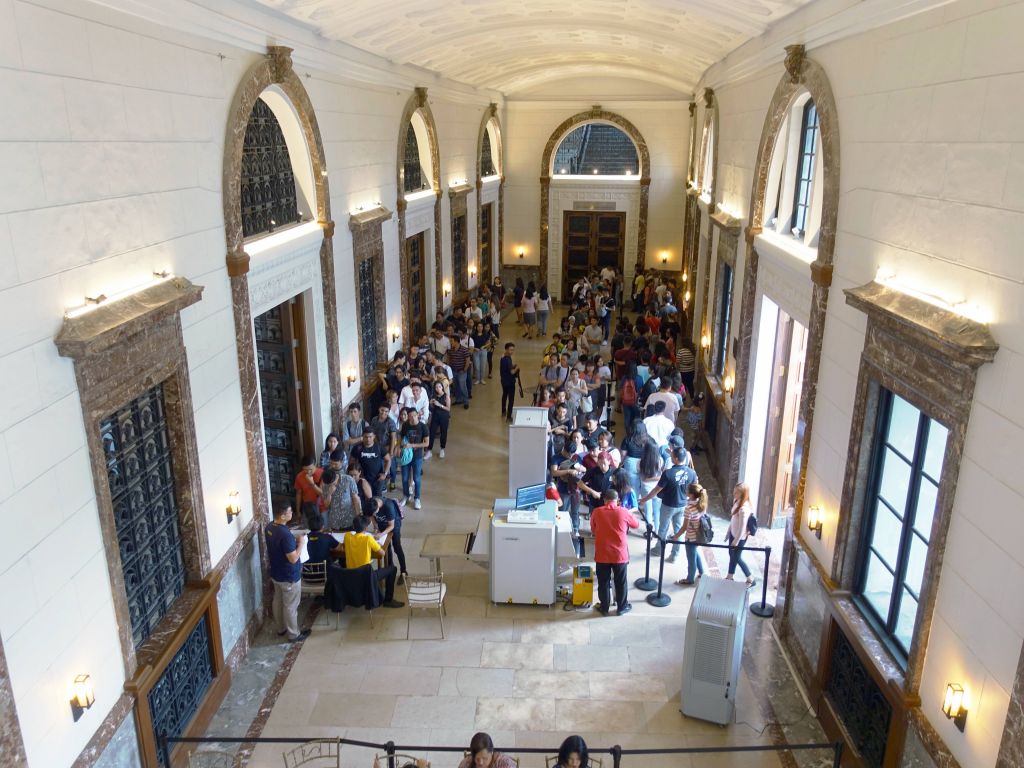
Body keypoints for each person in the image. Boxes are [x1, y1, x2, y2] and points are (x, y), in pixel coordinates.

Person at [638, 446, 696, 562]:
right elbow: (696, 487)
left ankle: (658, 550)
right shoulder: (691, 473)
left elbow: (656, 490)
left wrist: (644, 499)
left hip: (668, 505)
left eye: (672, 455)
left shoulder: (668, 473)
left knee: (663, 528)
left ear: (674, 458)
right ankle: (674, 555)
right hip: (683, 505)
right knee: (678, 530)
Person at [590, 489, 639, 616]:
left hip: (602, 553)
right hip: (620, 554)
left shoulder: (596, 512)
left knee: (603, 581)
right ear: (617, 500)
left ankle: (604, 608)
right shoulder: (624, 512)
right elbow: (636, 525)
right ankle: (622, 607)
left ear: (604, 500)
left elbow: (593, 530)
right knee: (621, 581)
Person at [265, 503, 310, 641]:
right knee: (291, 606)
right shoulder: (284, 534)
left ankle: (281, 628)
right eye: (290, 512)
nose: (292, 514)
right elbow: (293, 558)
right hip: (288, 576)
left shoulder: (270, 527)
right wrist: (301, 543)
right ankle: (293, 634)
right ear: (283, 515)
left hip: (276, 572)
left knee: (278, 600)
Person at [342, 515, 403, 608]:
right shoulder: (368, 539)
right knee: (393, 569)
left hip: (351, 575)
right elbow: (382, 553)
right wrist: (376, 544)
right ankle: (388, 600)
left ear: (354, 527)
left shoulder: (347, 536)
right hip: (366, 577)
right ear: (366, 528)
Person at [671, 482, 708, 586]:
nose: (686, 491)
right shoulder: (702, 504)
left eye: (687, 490)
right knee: (695, 553)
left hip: (691, 537)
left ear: (691, 495)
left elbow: (684, 527)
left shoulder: (689, 509)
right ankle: (702, 572)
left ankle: (690, 579)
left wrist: (675, 536)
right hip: (699, 535)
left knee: (691, 560)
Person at [369, 496, 407, 581]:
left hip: (394, 525)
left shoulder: (388, 506)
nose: (375, 515)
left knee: (397, 547)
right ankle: (390, 569)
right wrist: (376, 527)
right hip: (382, 525)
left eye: (375, 512)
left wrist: (381, 534)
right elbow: (371, 516)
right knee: (386, 548)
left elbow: (391, 526)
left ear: (378, 506)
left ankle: (403, 571)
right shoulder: (371, 503)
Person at [727, 482, 757, 587]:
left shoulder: (744, 508)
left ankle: (750, 578)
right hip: (733, 534)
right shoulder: (737, 502)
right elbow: (733, 519)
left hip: (739, 537)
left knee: (737, 557)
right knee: (732, 556)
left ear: (743, 494)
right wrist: (728, 532)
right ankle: (730, 576)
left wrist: (736, 541)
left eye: (737, 492)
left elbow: (742, 527)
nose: (734, 494)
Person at [322, 454, 361, 531]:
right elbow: (326, 505)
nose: (331, 485)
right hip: (334, 521)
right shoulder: (326, 485)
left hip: (349, 520)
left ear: (335, 477)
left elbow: (356, 499)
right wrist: (329, 494)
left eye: (332, 483)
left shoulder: (348, 479)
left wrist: (358, 517)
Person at [400, 406, 429, 509]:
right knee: (404, 477)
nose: (412, 418)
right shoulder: (405, 425)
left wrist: (412, 446)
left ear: (418, 415)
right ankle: (406, 495)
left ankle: (417, 498)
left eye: (414, 415)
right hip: (406, 455)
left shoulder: (423, 427)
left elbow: (426, 443)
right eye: (410, 416)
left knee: (416, 478)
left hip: (417, 456)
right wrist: (401, 447)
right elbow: (402, 438)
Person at [351, 430, 389, 497]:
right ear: (362, 436)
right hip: (363, 479)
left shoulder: (379, 447)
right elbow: (351, 463)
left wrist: (385, 474)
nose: (368, 439)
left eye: (370, 437)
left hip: (378, 479)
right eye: (366, 437)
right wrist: (355, 476)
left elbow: (388, 460)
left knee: (377, 499)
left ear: (374, 436)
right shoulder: (357, 448)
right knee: (363, 497)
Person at [426, 379, 451, 459]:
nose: (438, 388)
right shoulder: (434, 396)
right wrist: (431, 404)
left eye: (439, 386)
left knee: (443, 433)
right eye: (436, 387)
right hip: (435, 416)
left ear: (442, 387)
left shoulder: (446, 396)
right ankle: (429, 450)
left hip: (444, 416)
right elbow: (433, 408)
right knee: (431, 432)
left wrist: (440, 405)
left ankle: (442, 449)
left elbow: (448, 409)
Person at [293, 456, 323, 523]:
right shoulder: (299, 476)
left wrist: (311, 483)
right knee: (308, 529)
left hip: (322, 507)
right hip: (308, 507)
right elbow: (298, 494)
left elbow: (322, 493)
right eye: (305, 469)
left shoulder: (322, 473)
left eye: (311, 469)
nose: (308, 472)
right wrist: (298, 511)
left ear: (315, 465)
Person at [448, 335, 473, 408]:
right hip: (454, 371)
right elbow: (450, 359)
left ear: (456, 342)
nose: (450, 342)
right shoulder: (451, 350)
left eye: (451, 341)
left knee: (463, 386)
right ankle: (459, 400)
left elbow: (467, 360)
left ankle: (466, 401)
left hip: (462, 371)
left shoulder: (464, 349)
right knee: (456, 386)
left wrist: (464, 369)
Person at [499, 343, 519, 422]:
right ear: (506, 349)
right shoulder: (507, 359)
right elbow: (512, 372)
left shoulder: (503, 357)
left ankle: (503, 411)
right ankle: (509, 416)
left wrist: (512, 365)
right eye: (510, 350)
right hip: (510, 382)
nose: (512, 351)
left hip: (503, 381)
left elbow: (507, 367)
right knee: (511, 399)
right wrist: (516, 368)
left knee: (504, 395)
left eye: (513, 350)